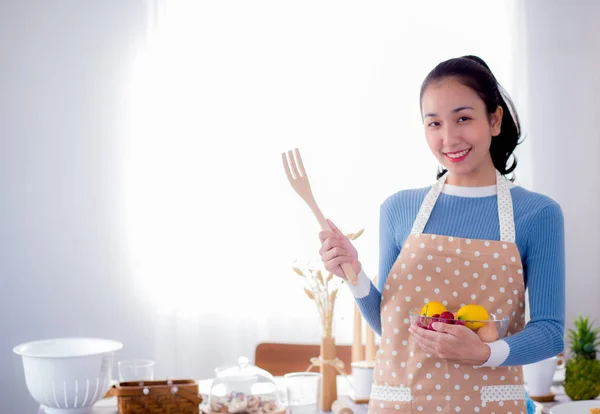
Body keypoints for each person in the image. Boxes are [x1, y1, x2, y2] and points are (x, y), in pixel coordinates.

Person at [318, 55, 565, 413]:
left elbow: (549, 331)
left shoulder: (538, 214)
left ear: (494, 120)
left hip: (489, 405)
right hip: (403, 404)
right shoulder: (399, 209)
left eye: (463, 118)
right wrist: (352, 274)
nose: (449, 138)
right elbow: (394, 330)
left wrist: (483, 353)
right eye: (434, 123)